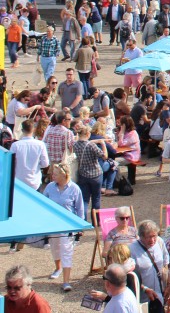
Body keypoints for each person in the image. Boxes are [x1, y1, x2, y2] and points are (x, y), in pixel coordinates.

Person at [42, 161, 84, 292]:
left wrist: (79, 227)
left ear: (64, 175)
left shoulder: (74, 189)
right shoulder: (49, 187)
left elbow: (80, 209)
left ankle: (66, 281)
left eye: (55, 174)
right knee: (55, 248)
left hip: (68, 226)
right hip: (53, 225)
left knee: (67, 252)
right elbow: (43, 203)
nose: (52, 176)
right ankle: (58, 267)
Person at [130, 220, 170, 313]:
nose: (152, 240)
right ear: (141, 237)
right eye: (149, 237)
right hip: (143, 297)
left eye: (154, 236)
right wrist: (145, 289)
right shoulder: (132, 249)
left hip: (160, 294)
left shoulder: (160, 242)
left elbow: (166, 264)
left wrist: (169, 285)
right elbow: (131, 277)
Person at [73, 123, 107, 213]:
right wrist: (103, 144)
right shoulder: (91, 146)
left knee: (84, 199)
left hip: (83, 174)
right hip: (95, 174)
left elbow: (82, 143)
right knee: (96, 198)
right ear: (88, 134)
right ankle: (96, 220)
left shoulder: (75, 145)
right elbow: (104, 156)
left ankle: (83, 219)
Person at [11, 120, 49, 189]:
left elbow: (11, 162)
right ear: (34, 129)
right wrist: (36, 164)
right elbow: (45, 164)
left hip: (19, 181)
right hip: (35, 182)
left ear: (22, 130)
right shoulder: (40, 145)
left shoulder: (15, 145)